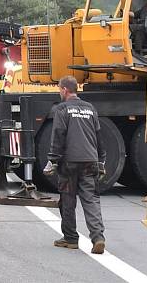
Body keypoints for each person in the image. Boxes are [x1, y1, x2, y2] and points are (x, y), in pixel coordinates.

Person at [44, 75, 106, 254]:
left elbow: (58, 135)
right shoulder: (90, 108)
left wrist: (53, 160)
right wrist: (101, 160)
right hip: (90, 161)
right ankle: (98, 237)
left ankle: (70, 239)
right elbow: (98, 137)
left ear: (64, 89)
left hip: (69, 162)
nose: (59, 92)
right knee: (91, 199)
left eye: (59, 89)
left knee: (68, 200)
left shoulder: (62, 109)